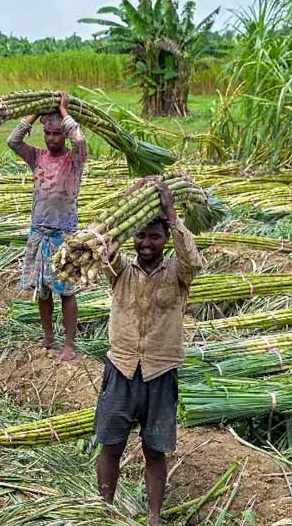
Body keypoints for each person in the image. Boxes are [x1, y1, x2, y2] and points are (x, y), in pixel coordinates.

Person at [94, 179, 202, 526]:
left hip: (160, 372)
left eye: (155, 237)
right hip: (121, 367)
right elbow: (103, 245)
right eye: (140, 236)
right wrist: (130, 205)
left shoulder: (178, 273)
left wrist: (171, 214)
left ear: (166, 238)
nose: (146, 243)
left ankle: (153, 517)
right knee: (111, 444)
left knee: (155, 450)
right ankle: (104, 510)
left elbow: (193, 260)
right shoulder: (120, 269)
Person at [7, 91, 88, 361]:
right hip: (39, 232)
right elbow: (13, 141)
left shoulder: (74, 159)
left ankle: (69, 344)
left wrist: (64, 112)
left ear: (64, 134)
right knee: (42, 291)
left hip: (64, 234)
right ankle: (48, 337)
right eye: (48, 133)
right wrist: (34, 113)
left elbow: (80, 140)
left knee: (67, 292)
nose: (52, 138)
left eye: (57, 134)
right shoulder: (37, 157)